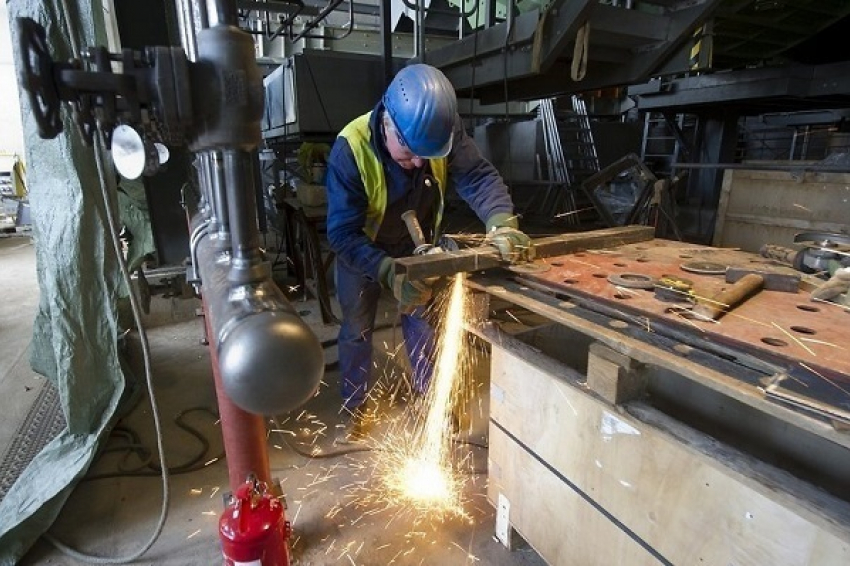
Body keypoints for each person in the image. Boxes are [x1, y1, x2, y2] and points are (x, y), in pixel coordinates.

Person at [325, 64, 533, 441]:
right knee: (357, 329)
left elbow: (477, 175)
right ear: (386, 123)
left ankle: (433, 403)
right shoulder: (350, 149)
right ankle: (354, 408)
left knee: (423, 321)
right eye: (408, 153)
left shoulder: (441, 130)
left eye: (426, 154)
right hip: (363, 249)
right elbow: (341, 232)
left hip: (414, 244)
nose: (419, 163)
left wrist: (501, 222)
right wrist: (386, 271)